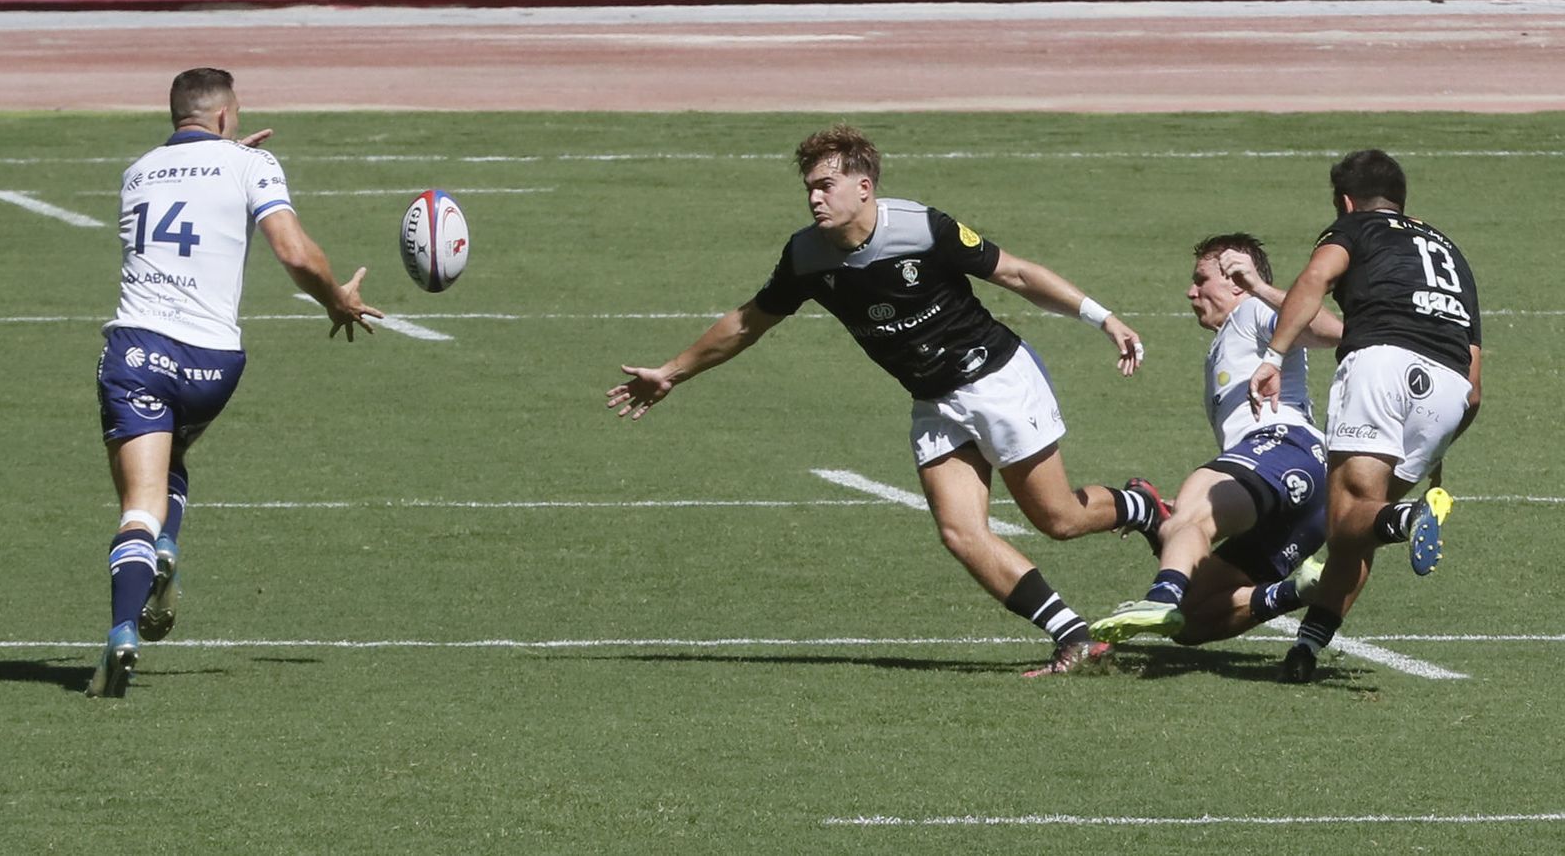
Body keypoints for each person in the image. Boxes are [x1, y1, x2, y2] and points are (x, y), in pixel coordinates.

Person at [606, 124, 1165, 677]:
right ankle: (1074, 637)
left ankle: (1139, 506)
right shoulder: (806, 256)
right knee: (960, 533)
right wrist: (671, 373)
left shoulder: (922, 228)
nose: (814, 198)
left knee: (1058, 519)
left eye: (826, 185)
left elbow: (1016, 274)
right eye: (809, 188)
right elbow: (749, 322)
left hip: (996, 380)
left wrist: (1104, 319)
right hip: (933, 401)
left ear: (864, 186)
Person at [87, 67, 382, 698]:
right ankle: (166, 547)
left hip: (138, 352)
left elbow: (191, 191)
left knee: (138, 503)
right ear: (225, 116)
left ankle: (122, 631)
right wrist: (337, 299)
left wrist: (229, 162)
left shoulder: (137, 171)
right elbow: (294, 252)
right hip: (213, 366)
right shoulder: (251, 165)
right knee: (173, 460)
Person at [1250, 149, 1481, 684]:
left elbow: (1315, 280)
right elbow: (1474, 390)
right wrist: (1440, 441)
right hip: (1448, 389)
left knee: (1348, 519)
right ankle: (1307, 647)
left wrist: (1273, 356)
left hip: (1381, 364)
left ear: (1346, 202)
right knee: (1362, 524)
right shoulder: (1451, 252)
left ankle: (1408, 519)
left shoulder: (1355, 227)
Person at [1090, 234, 1342, 648]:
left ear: (1236, 282)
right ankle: (1296, 590)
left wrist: (1259, 287)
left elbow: (1333, 331)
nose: (1191, 292)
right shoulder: (1229, 339)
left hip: (1284, 446)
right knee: (1194, 619)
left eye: (1201, 280)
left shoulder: (1253, 310)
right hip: (1310, 492)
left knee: (1193, 512)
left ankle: (1159, 597)